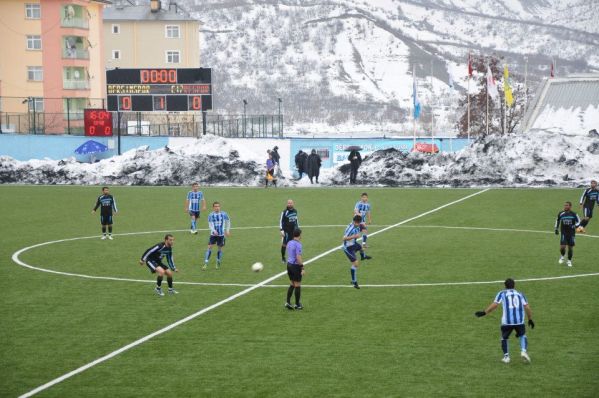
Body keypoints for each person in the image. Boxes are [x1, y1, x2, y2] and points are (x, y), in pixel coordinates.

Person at [475, 278, 534, 364]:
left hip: (507, 321)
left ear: (505, 286)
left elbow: (495, 305)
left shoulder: (502, 293)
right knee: (522, 335)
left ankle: (506, 357)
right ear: (514, 285)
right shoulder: (520, 294)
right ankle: (523, 351)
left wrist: (484, 312)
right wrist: (530, 319)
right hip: (519, 321)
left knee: (504, 338)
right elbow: (527, 307)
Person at [204, 202, 231, 269]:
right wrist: (213, 230)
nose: (217, 207)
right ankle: (206, 263)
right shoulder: (210, 215)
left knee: (219, 248)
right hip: (213, 235)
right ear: (213, 207)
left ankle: (218, 261)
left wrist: (227, 230)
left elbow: (228, 222)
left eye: (218, 206)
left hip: (221, 235)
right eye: (215, 206)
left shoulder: (224, 214)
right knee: (209, 247)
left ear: (220, 207)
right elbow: (210, 224)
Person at [555, 201, 581, 267]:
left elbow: (579, 222)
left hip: (571, 233)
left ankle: (569, 261)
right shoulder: (561, 213)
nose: (565, 206)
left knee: (570, 248)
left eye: (567, 205)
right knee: (562, 247)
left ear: (570, 206)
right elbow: (557, 220)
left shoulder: (574, 214)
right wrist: (556, 228)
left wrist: (575, 226)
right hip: (564, 233)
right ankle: (562, 256)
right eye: (564, 205)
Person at [343, 215, 365, 289]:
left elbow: (361, 227)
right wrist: (354, 236)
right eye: (357, 223)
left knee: (361, 248)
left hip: (353, 244)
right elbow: (344, 238)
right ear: (354, 222)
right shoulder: (350, 228)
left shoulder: (358, 224)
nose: (358, 225)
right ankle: (354, 281)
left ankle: (363, 257)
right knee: (356, 264)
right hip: (348, 248)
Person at [285, 228, 304, 310]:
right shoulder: (298, 244)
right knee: (297, 285)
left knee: (292, 284)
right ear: (299, 235)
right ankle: (297, 304)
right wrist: (302, 267)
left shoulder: (289, 242)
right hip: (295, 266)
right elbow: (298, 257)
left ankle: (288, 302)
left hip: (289, 265)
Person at [280, 199, 299, 263]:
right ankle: (283, 257)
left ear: (293, 204)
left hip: (293, 231)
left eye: (291, 203)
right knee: (284, 245)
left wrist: (298, 228)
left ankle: (293, 257)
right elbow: (281, 221)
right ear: (287, 204)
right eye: (288, 203)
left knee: (294, 244)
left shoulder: (295, 211)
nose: (290, 204)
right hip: (286, 231)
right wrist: (281, 230)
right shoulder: (285, 212)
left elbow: (296, 220)